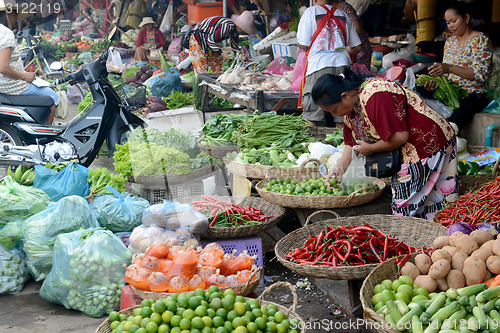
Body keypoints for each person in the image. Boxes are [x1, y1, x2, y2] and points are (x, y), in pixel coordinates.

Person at [312, 70, 457, 220]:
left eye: (333, 110)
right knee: (422, 203)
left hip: (427, 141)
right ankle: (428, 237)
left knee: (409, 205)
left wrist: (371, 148)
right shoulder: (350, 110)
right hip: (408, 148)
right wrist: (338, 170)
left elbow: (400, 136)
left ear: (345, 97)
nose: (334, 115)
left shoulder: (375, 95)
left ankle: (427, 235)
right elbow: (351, 145)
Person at [420, 2, 493, 132]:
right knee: (418, 92)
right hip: (451, 93)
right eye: (448, 23)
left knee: (458, 116)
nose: (450, 26)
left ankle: (449, 134)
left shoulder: (480, 40)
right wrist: (434, 85)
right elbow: (446, 75)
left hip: (472, 94)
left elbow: (480, 74)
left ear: (466, 18)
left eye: (453, 21)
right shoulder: (450, 42)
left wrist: (449, 68)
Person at [297, 0, 362, 126]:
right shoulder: (342, 14)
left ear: (314, 0)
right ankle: (341, 142)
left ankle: (313, 143)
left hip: (318, 65)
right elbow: (357, 47)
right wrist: (342, 49)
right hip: (343, 65)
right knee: (342, 114)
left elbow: (303, 43)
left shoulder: (310, 11)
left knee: (313, 115)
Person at [0, 0, 58, 125]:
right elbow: (3, 67)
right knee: (52, 96)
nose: (16, 19)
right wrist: (24, 76)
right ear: (8, 13)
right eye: (16, 15)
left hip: (4, 84)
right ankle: (45, 135)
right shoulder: (5, 32)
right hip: (11, 86)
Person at [188, 11, 257, 75]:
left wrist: (244, 60)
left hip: (209, 42)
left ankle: (215, 85)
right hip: (197, 39)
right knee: (202, 68)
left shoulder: (234, 30)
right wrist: (222, 53)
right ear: (239, 26)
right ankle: (201, 86)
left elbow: (234, 47)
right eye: (244, 29)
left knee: (217, 66)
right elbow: (210, 40)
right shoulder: (227, 26)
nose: (244, 31)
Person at [338, 0, 372, 71]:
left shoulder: (344, 8)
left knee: (359, 78)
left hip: (358, 50)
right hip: (350, 50)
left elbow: (358, 29)